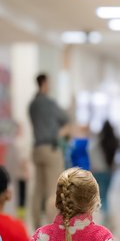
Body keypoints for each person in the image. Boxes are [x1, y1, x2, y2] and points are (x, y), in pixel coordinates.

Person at [28, 73, 70, 227]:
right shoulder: (50, 103)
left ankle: (36, 224)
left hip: (37, 149)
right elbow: (65, 118)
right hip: (51, 149)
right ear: (45, 83)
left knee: (38, 189)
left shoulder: (32, 105)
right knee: (53, 189)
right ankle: (53, 226)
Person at [92, 120, 120, 211]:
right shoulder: (114, 141)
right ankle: (106, 214)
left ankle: (105, 214)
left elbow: (91, 151)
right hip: (109, 171)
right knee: (105, 195)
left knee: (101, 195)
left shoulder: (98, 141)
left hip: (98, 171)